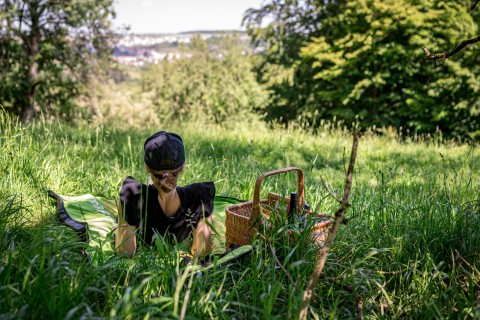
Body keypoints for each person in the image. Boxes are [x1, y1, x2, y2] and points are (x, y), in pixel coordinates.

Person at [115, 131, 215, 258]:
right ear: (183, 167)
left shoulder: (133, 195)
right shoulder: (199, 196)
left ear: (147, 168)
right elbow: (201, 252)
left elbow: (124, 252)